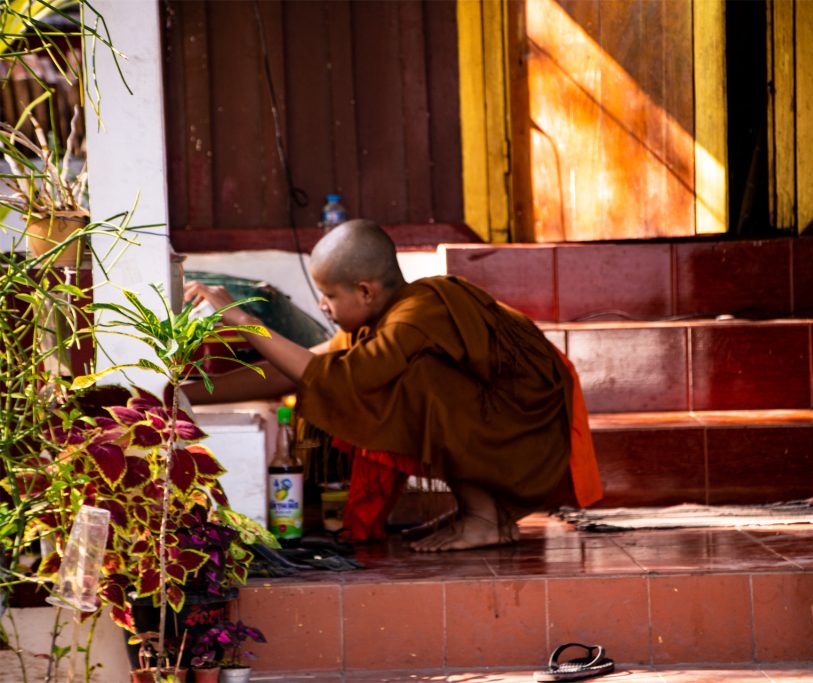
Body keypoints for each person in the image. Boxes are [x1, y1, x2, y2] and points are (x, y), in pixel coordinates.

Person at [183, 219, 602, 551]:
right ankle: (483, 512)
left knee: (411, 382)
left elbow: (345, 380)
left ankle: (485, 518)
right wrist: (179, 393)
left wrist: (246, 321)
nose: (322, 307)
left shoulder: (416, 315)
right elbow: (296, 369)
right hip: (505, 428)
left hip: (533, 432)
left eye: (328, 294)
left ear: (364, 291)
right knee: (380, 376)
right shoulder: (386, 318)